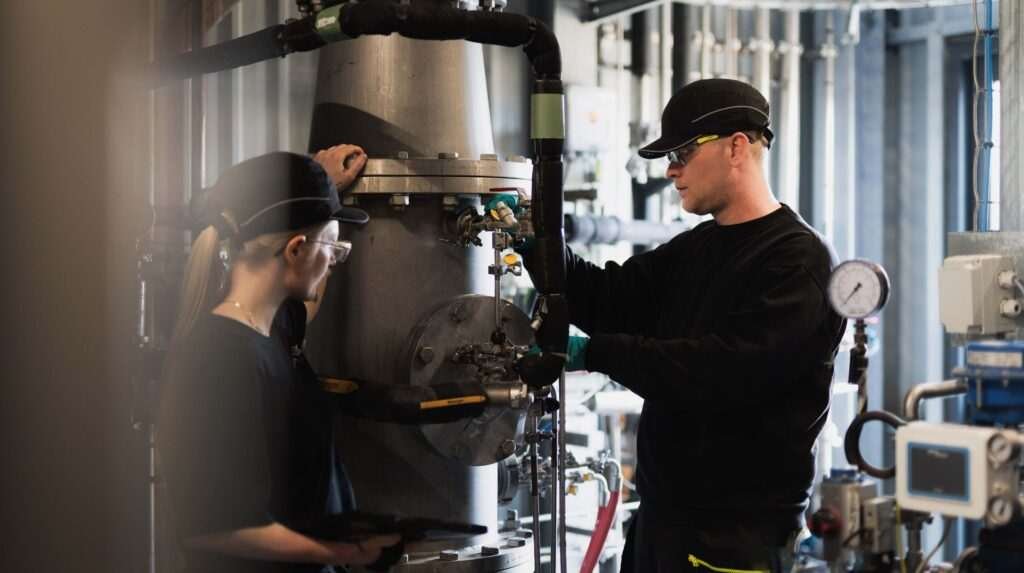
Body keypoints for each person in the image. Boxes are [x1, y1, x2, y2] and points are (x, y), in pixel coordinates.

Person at [514, 79, 846, 572]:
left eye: (684, 152)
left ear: (736, 147)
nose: (671, 170)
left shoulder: (797, 263)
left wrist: (593, 352)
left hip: (730, 541)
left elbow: (718, 373)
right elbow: (607, 297)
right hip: (661, 526)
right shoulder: (697, 248)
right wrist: (532, 236)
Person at [157, 146, 405, 573]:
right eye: (332, 247)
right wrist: (340, 553)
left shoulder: (275, 329)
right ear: (294, 250)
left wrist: (323, 189)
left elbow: (309, 297)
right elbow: (214, 525)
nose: (334, 261)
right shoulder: (218, 357)